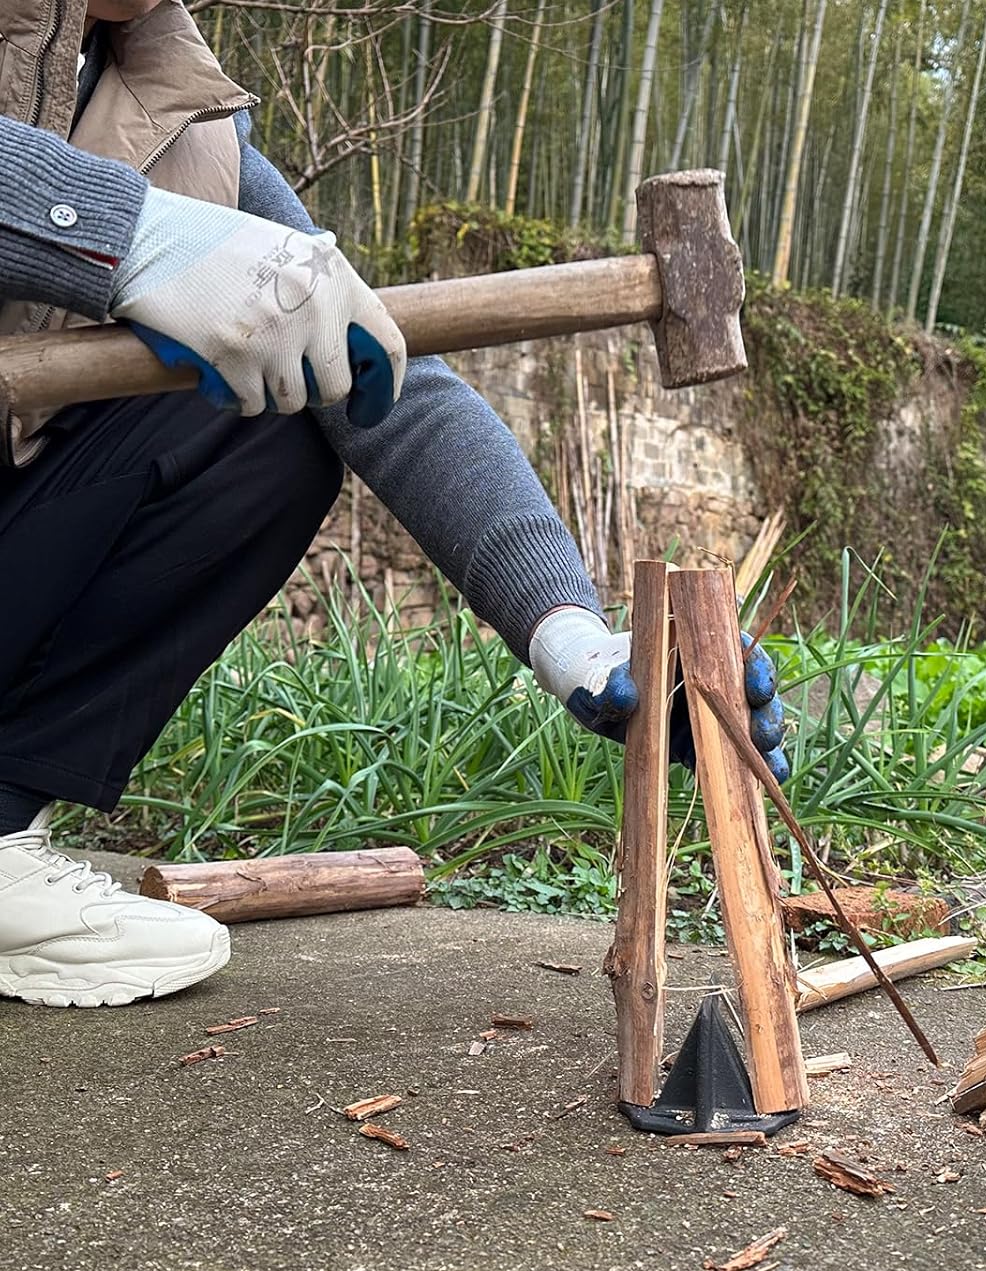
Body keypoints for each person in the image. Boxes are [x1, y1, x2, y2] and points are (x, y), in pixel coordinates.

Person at [0, 0, 787, 1009]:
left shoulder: (186, 122)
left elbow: (390, 390)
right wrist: (126, 234)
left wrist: (573, 637)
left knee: (275, 423)